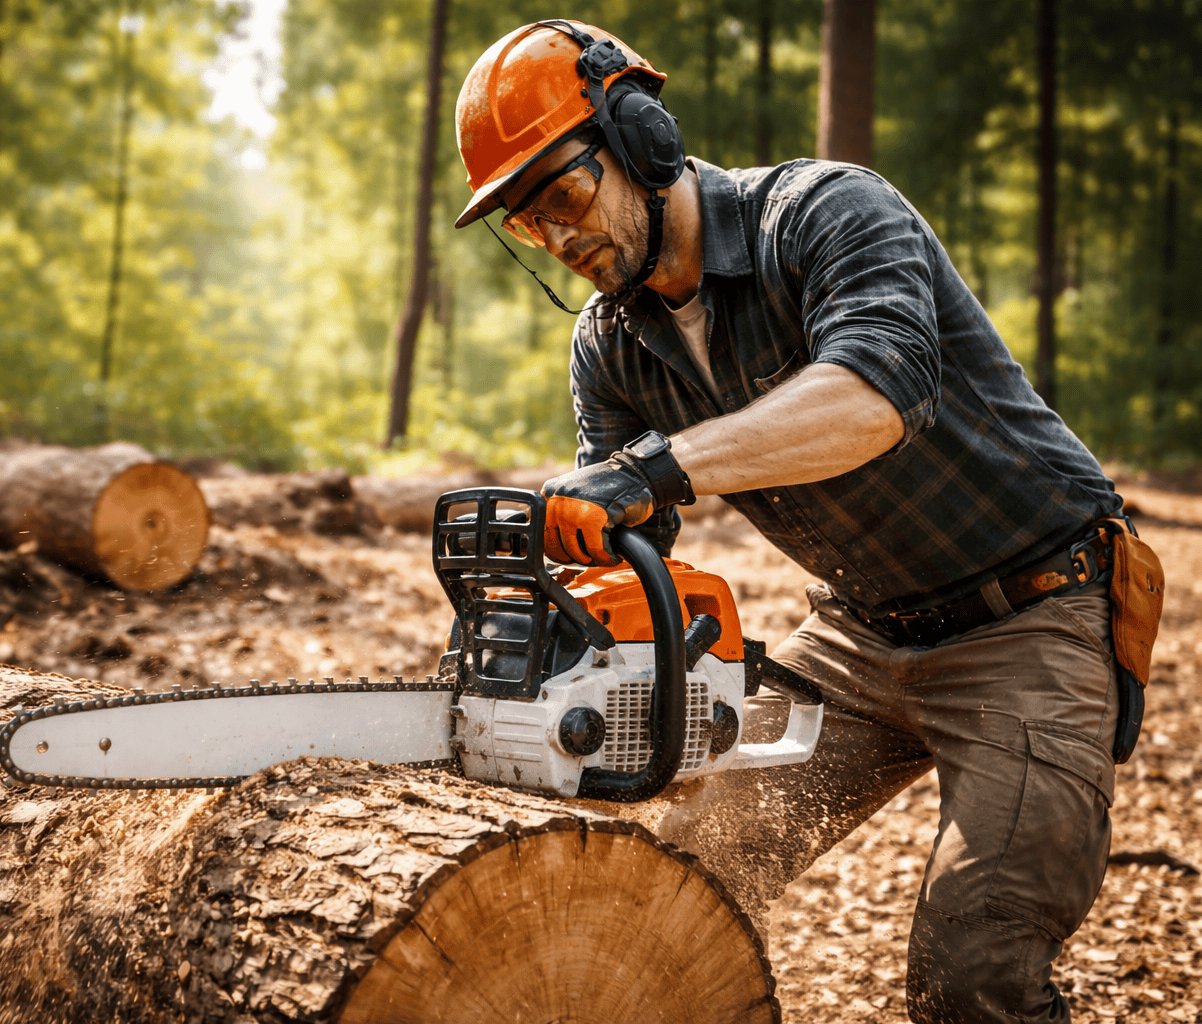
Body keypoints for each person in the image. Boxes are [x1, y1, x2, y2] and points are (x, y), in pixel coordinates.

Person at [452, 20, 1160, 1024]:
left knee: (974, 967)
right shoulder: (610, 343)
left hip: (1034, 613)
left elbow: (877, 394)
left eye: (565, 195)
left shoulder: (826, 213)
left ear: (642, 138)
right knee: (676, 884)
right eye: (527, 227)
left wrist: (654, 469)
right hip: (858, 637)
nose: (561, 239)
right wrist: (577, 565)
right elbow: (635, 533)